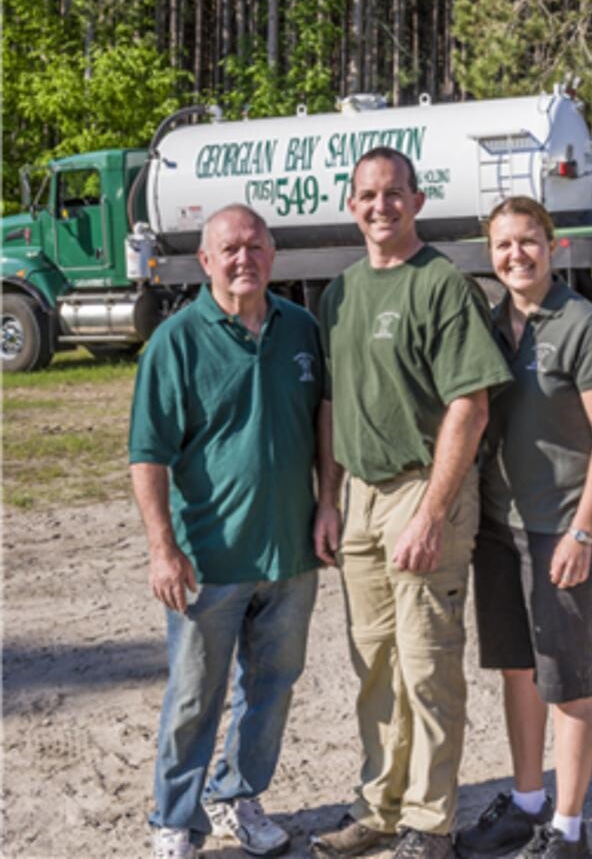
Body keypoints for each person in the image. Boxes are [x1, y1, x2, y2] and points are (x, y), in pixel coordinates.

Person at [310, 148, 512, 859]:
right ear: (352, 202)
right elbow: (332, 401)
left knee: (427, 667)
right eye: (368, 194)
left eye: (394, 193)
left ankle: (431, 823)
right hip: (359, 499)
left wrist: (431, 513)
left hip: (423, 493)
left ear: (417, 202)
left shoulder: (443, 287)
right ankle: (379, 807)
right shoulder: (340, 293)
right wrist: (328, 500)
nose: (380, 206)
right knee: (375, 667)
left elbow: (471, 406)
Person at [129, 205, 323, 859]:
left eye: (255, 246)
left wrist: (329, 505)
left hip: (291, 553)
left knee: (270, 688)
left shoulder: (301, 330)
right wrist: (163, 548)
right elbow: (147, 455)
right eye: (229, 249)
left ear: (274, 254)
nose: (244, 259)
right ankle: (175, 818)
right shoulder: (177, 342)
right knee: (194, 697)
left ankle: (237, 795)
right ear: (205, 261)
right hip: (209, 560)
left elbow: (324, 425)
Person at [456, 197, 592, 859]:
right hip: (501, 526)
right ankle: (528, 806)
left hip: (560, 527)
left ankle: (569, 830)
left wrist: (583, 533)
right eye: (503, 245)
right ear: (491, 254)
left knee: (567, 678)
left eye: (528, 241)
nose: (515, 255)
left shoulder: (583, 325)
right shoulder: (492, 323)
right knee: (518, 671)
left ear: (551, 247)